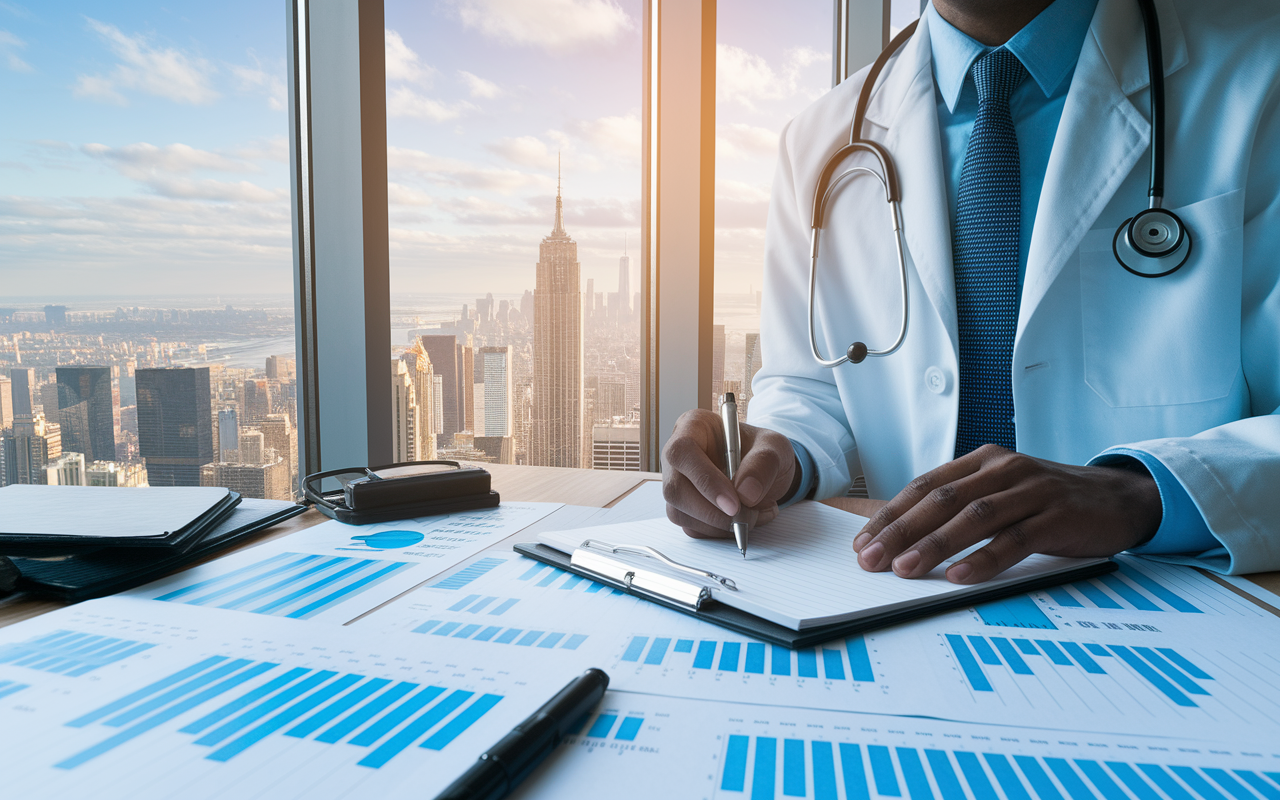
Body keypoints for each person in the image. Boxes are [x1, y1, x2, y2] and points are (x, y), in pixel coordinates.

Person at [662, 0, 1280, 582]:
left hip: (1181, 602)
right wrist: (774, 455)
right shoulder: (819, 139)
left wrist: (1143, 493)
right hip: (909, 593)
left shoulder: (1261, 76)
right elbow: (808, 383)